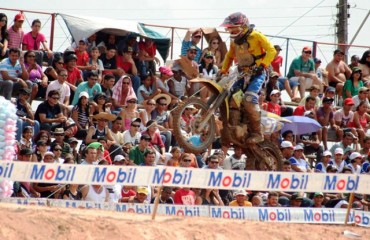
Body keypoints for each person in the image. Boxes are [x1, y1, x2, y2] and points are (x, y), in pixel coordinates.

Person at [220, 12, 276, 144]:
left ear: (243, 26)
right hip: (242, 73)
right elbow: (229, 56)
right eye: (229, 28)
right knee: (233, 99)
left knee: (249, 99)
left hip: (258, 73)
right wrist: (223, 70)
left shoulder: (256, 35)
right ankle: (235, 128)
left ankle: (258, 133)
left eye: (233, 27)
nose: (230, 30)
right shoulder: (235, 41)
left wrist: (262, 65)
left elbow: (271, 50)